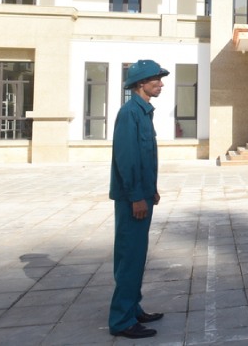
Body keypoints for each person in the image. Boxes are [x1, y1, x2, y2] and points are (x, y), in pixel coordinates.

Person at [109, 60, 169, 339]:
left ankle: (133, 308)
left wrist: (151, 189)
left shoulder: (143, 112)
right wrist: (136, 196)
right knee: (129, 257)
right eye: (155, 80)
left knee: (137, 254)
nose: (160, 84)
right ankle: (121, 320)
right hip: (132, 197)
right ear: (140, 83)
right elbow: (127, 158)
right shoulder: (130, 113)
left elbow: (146, 157)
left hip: (142, 193)